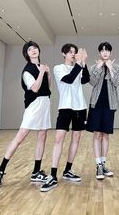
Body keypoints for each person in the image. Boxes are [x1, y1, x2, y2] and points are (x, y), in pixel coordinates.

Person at [0, 41, 51, 189]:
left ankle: (36, 171)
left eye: (35, 48)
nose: (33, 50)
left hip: (45, 103)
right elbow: (35, 89)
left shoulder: (41, 67)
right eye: (29, 49)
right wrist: (42, 71)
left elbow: (47, 87)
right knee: (20, 137)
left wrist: (47, 73)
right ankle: (0, 170)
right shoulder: (27, 71)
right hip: (34, 105)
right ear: (27, 54)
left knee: (42, 135)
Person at [40, 44, 89, 192]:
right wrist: (79, 63)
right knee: (59, 139)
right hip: (65, 107)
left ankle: (68, 170)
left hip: (80, 107)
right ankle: (53, 175)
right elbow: (69, 79)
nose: (73, 54)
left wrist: (84, 63)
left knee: (76, 138)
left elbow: (85, 79)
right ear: (63, 54)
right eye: (70, 52)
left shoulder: (79, 67)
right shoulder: (58, 68)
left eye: (75, 52)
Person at [86, 42, 119, 180]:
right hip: (96, 104)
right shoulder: (94, 67)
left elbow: (117, 83)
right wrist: (99, 67)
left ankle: (104, 163)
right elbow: (92, 82)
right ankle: (98, 166)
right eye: (102, 51)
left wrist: (111, 69)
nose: (105, 53)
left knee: (106, 135)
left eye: (107, 50)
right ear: (99, 53)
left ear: (110, 53)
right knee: (97, 134)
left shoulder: (117, 67)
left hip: (110, 104)